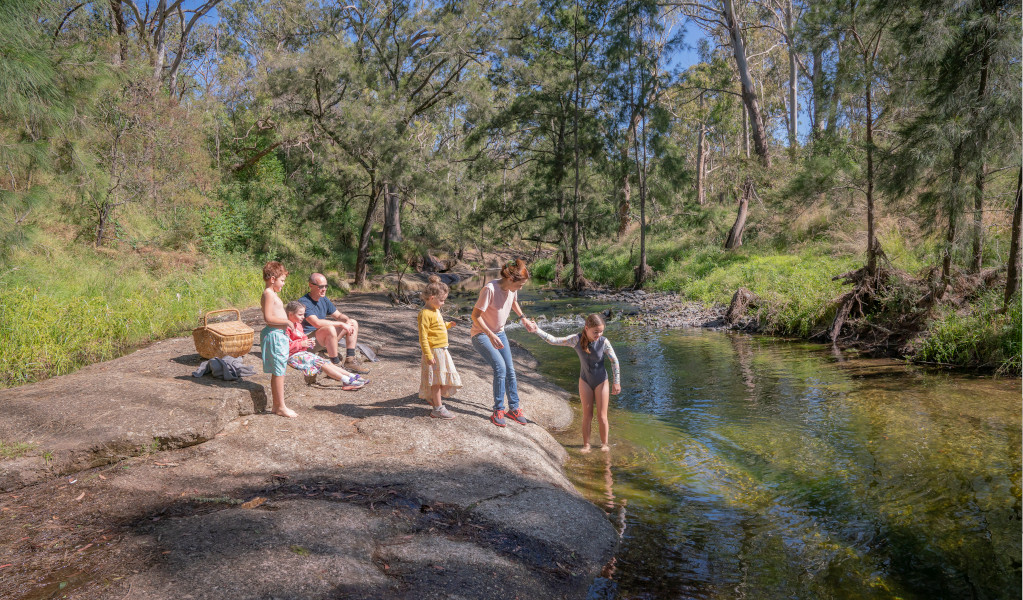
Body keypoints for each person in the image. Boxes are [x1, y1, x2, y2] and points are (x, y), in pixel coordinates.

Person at [526, 313, 620, 452]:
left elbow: (614, 361)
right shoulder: (576, 339)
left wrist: (616, 382)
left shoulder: (604, 342)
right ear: (586, 328)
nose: (598, 334)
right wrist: (537, 330)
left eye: (601, 331)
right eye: (595, 332)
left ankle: (604, 444)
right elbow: (553, 340)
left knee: (602, 416)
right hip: (585, 381)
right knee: (587, 415)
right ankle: (586, 445)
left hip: (601, 381)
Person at [470, 259, 536, 427]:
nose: (521, 288)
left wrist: (524, 319)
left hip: (500, 333)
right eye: (520, 285)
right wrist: (490, 334)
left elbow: (513, 301)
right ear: (511, 279)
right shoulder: (489, 289)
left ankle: (513, 409)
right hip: (481, 334)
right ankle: (498, 409)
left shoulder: (512, 289)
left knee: (510, 370)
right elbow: (475, 316)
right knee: (500, 368)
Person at [285, 301, 367, 390]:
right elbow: (284, 347)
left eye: (303, 314)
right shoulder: (285, 328)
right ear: (290, 314)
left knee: (326, 362)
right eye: (300, 315)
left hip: (301, 353)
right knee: (321, 363)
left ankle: (352, 376)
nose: (303, 317)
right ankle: (346, 381)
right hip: (292, 356)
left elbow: (302, 337)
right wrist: (301, 344)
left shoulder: (298, 325)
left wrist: (307, 342)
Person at [298, 273, 369, 374]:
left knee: (353, 322)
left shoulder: (323, 299)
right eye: (321, 286)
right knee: (329, 328)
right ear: (311, 285)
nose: (324, 289)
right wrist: (340, 324)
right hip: (309, 342)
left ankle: (350, 360)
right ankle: (335, 364)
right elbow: (317, 323)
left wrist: (346, 320)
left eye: (326, 286)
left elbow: (339, 315)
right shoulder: (304, 302)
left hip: (324, 339)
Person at [417, 275, 462, 419]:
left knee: (446, 379)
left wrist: (448, 325)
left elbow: (437, 326)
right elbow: (423, 336)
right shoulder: (425, 313)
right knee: (437, 380)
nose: (443, 303)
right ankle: (437, 408)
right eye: (442, 300)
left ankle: (434, 398)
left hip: (442, 349)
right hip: (434, 351)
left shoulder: (436, 310)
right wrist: (428, 355)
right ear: (431, 298)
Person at [260, 261, 297, 418]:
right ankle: (280, 406)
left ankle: (277, 405)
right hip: (274, 335)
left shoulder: (273, 294)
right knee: (279, 371)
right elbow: (268, 318)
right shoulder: (268, 294)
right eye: (282, 280)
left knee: (279, 370)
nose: (283, 284)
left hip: (279, 336)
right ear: (273, 278)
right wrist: (287, 322)